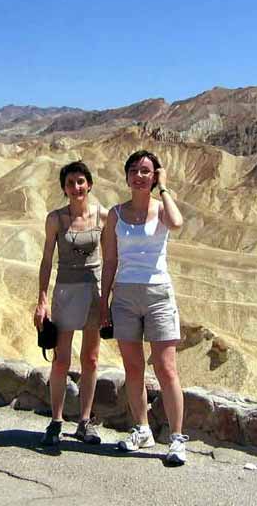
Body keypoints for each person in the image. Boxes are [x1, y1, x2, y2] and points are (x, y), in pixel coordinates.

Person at [99, 150, 188, 465]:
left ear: (155, 176)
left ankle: (177, 439)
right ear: (126, 176)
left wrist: (164, 188)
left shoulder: (162, 209)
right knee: (133, 368)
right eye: (134, 170)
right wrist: (103, 301)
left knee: (166, 368)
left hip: (158, 294)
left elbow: (177, 224)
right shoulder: (116, 214)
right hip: (123, 296)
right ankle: (142, 429)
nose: (139, 176)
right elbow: (110, 261)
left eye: (146, 171)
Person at [34, 161, 109, 446]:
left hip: (94, 290)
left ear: (89, 184)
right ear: (64, 189)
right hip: (65, 291)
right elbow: (46, 260)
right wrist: (42, 298)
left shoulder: (102, 216)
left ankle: (85, 422)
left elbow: (111, 257)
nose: (76, 187)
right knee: (61, 359)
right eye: (70, 183)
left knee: (90, 358)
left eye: (80, 181)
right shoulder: (55, 219)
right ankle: (56, 420)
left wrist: (109, 297)